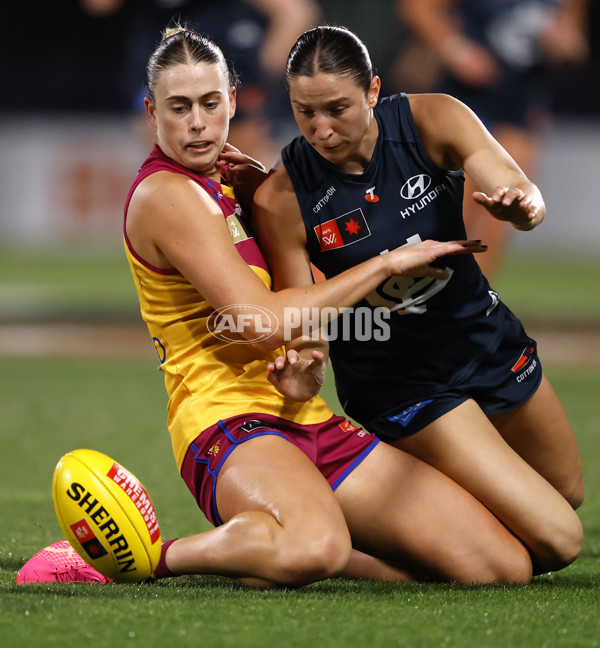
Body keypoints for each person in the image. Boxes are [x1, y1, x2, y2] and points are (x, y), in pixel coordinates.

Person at [122, 25, 543, 588]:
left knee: (501, 566)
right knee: (316, 547)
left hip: (302, 417)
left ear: (234, 101)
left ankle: (279, 547)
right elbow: (262, 322)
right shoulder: (167, 195)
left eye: (210, 103)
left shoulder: (229, 180)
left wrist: (309, 368)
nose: (197, 122)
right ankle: (145, 557)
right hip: (229, 427)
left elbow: (297, 330)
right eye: (179, 107)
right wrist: (388, 264)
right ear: (151, 112)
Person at [251, 25, 584, 576]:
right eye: (304, 112)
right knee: (557, 541)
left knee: (565, 492)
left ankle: (423, 508)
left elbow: (514, 181)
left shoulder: (432, 118)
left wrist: (520, 207)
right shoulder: (284, 196)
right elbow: (305, 316)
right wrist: (307, 369)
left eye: (337, 108)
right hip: (403, 382)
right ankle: (345, 529)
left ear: (374, 91)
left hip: (483, 339)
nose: (322, 129)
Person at [395, 0, 590, 278]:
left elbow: (574, 46)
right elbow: (418, 8)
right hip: (465, 99)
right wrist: (455, 49)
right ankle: (427, 298)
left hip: (521, 104)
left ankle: (474, 301)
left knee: (502, 211)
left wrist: (564, 44)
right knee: (454, 210)